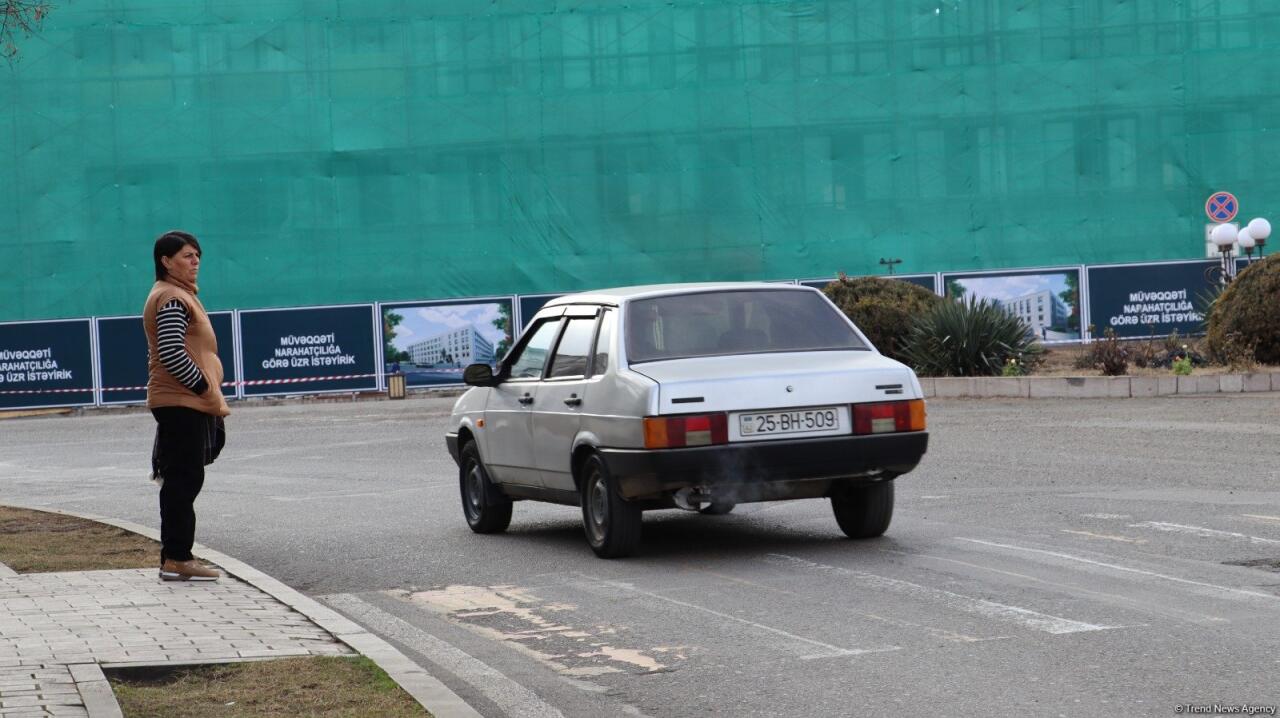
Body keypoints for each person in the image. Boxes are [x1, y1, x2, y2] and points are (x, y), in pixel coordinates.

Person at [143, 230, 229, 581]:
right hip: (181, 399)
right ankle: (176, 558)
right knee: (183, 478)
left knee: (185, 476)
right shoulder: (172, 298)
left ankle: (178, 556)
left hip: (186, 400)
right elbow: (171, 350)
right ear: (166, 261)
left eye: (197, 256)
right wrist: (202, 386)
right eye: (187, 256)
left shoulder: (178, 295)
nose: (195, 262)